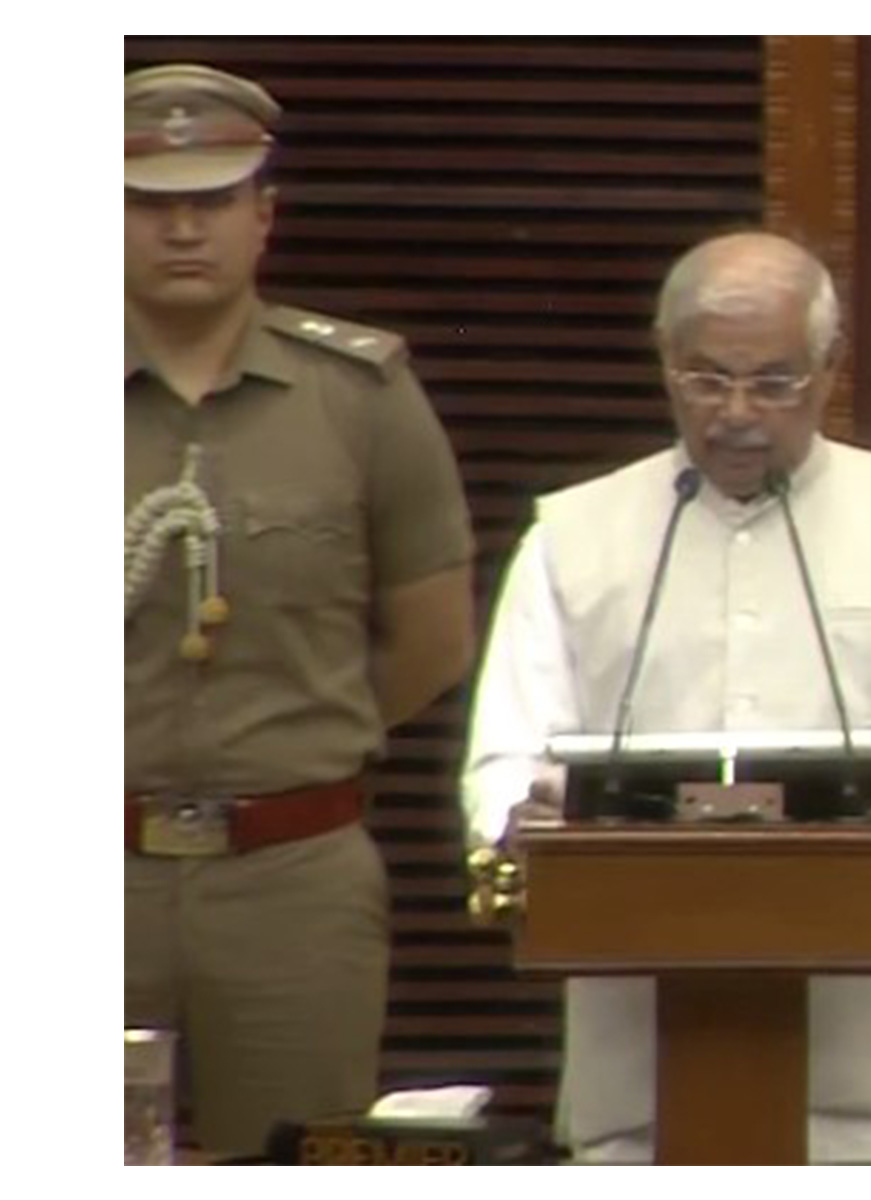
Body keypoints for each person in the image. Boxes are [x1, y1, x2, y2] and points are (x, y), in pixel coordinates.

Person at [461, 231, 871, 1165]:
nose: (735, 415)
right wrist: (526, 818)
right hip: (643, 1071)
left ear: (829, 370)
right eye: (705, 379)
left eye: (773, 382)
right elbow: (502, 764)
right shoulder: (573, 538)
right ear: (664, 364)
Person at [124, 63, 476, 1157]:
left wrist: (299, 732)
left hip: (293, 876)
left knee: (294, 1160)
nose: (184, 229)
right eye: (148, 202)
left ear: (263, 216)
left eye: (214, 199)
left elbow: (432, 638)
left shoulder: (359, 395)